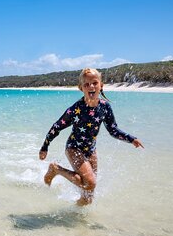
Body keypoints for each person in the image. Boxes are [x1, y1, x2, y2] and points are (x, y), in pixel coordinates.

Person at [39, 68, 143, 205]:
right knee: (90, 184)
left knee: (88, 196)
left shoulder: (105, 107)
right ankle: (56, 169)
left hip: (91, 150)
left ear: (101, 85)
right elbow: (56, 126)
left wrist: (131, 139)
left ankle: (75, 219)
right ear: (81, 88)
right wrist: (45, 147)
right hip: (74, 148)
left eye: (94, 83)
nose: (91, 86)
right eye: (87, 84)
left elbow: (113, 130)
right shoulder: (76, 109)